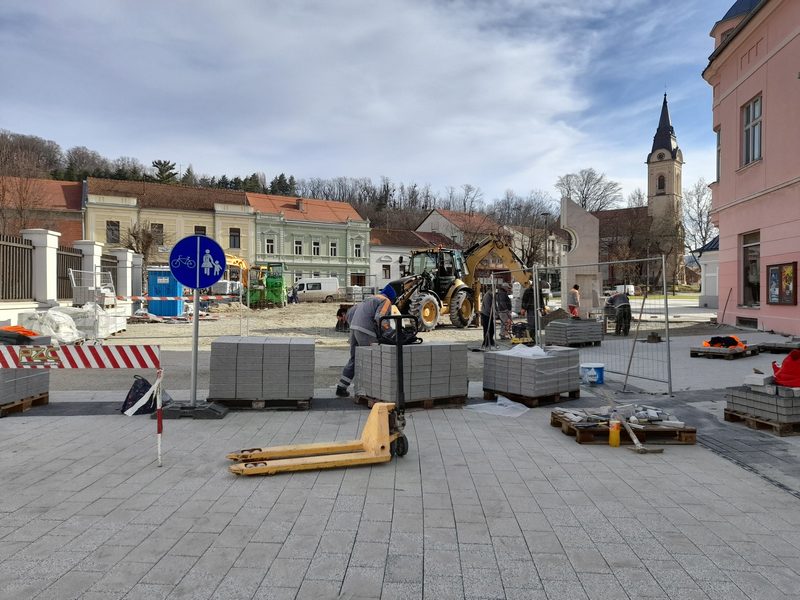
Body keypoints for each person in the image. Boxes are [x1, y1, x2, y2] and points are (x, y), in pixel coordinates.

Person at [336, 284, 397, 397]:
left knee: (354, 358)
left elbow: (356, 311)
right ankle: (371, 391)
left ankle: (341, 387)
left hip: (354, 329)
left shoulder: (371, 298)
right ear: (392, 298)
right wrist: (391, 332)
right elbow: (381, 319)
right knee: (373, 359)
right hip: (366, 332)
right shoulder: (386, 301)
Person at [479, 286, 496, 350]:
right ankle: (486, 343)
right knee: (487, 329)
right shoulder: (488, 296)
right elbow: (488, 307)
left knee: (491, 329)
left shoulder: (490, 295)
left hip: (488, 314)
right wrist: (493, 314)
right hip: (486, 315)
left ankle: (490, 341)